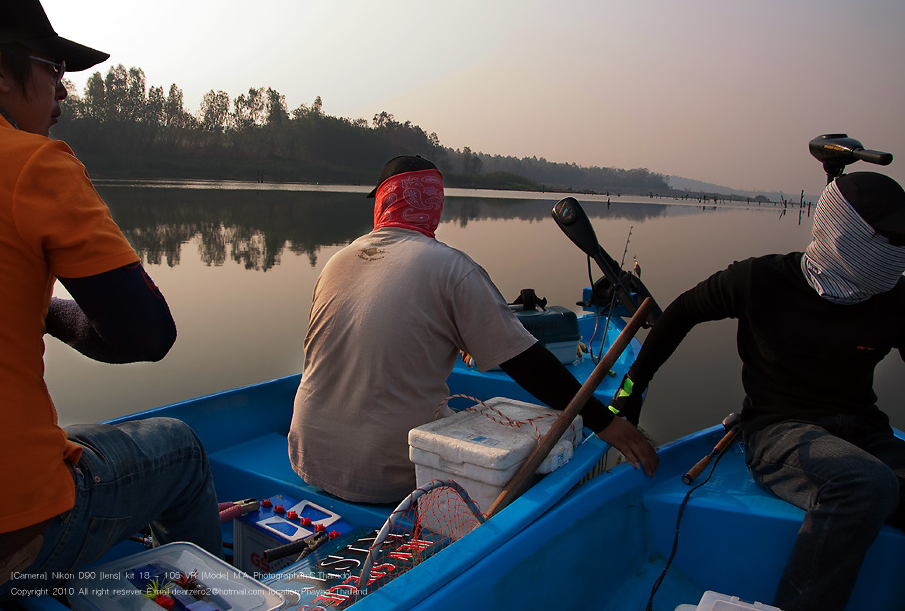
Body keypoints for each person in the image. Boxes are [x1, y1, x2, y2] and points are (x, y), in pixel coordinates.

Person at [0, 0, 221, 605]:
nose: (62, 95)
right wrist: (49, 311)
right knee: (180, 448)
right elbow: (144, 335)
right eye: (53, 70)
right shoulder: (28, 161)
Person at [288, 155, 658, 504]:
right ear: (436, 204)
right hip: (394, 476)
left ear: (383, 202)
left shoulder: (336, 262)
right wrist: (605, 422)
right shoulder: (452, 268)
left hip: (307, 456)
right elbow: (527, 364)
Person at [612, 171, 905, 611]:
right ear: (846, 233)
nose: (899, 251)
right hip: (780, 431)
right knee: (866, 485)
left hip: (864, 432)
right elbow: (680, 312)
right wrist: (629, 392)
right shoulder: (762, 280)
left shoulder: (894, 298)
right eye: (890, 237)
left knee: (873, 477)